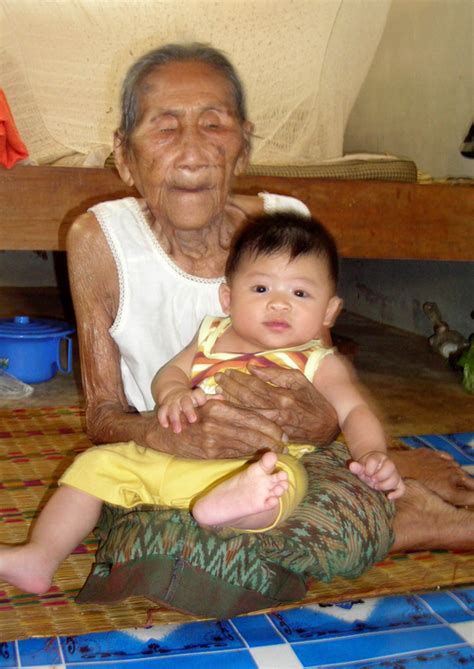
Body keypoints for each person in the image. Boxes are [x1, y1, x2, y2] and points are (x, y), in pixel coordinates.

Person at [35, 42, 472, 617]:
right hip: (158, 461)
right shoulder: (98, 240)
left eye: (214, 126)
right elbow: (101, 415)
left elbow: (325, 378)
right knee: (153, 539)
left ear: (244, 145)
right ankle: (404, 514)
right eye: (165, 129)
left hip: (279, 467)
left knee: (272, 515)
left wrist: (317, 424)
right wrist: (170, 430)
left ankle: (389, 499)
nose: (192, 152)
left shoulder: (285, 225)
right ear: (124, 155)